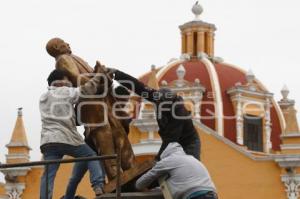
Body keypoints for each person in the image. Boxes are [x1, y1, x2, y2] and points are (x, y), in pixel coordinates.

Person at [45, 38, 135, 179]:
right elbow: (77, 79)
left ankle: (131, 172)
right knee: (105, 142)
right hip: (92, 107)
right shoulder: (63, 59)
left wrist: (101, 76)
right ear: (56, 47)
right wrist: (99, 78)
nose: (68, 43)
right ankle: (116, 178)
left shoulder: (74, 57)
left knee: (119, 136)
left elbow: (90, 78)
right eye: (63, 42)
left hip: (102, 101)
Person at [39, 68, 106, 199]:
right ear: (59, 81)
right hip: (66, 138)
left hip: (48, 141)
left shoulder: (43, 97)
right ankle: (98, 185)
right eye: (66, 79)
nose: (68, 82)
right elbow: (86, 89)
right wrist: (98, 76)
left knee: (48, 174)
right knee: (90, 155)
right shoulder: (64, 91)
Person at [110, 69, 201, 160]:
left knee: (189, 164)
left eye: (162, 105)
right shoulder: (157, 97)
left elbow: (170, 142)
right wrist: (117, 74)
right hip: (170, 140)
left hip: (188, 144)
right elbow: (138, 86)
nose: (158, 106)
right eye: (157, 103)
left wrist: (157, 160)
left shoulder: (179, 114)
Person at [136, 142, 217, 199]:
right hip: (211, 194)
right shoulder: (192, 159)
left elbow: (149, 176)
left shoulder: (168, 160)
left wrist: (138, 185)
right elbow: (177, 184)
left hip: (194, 195)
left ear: (165, 155)